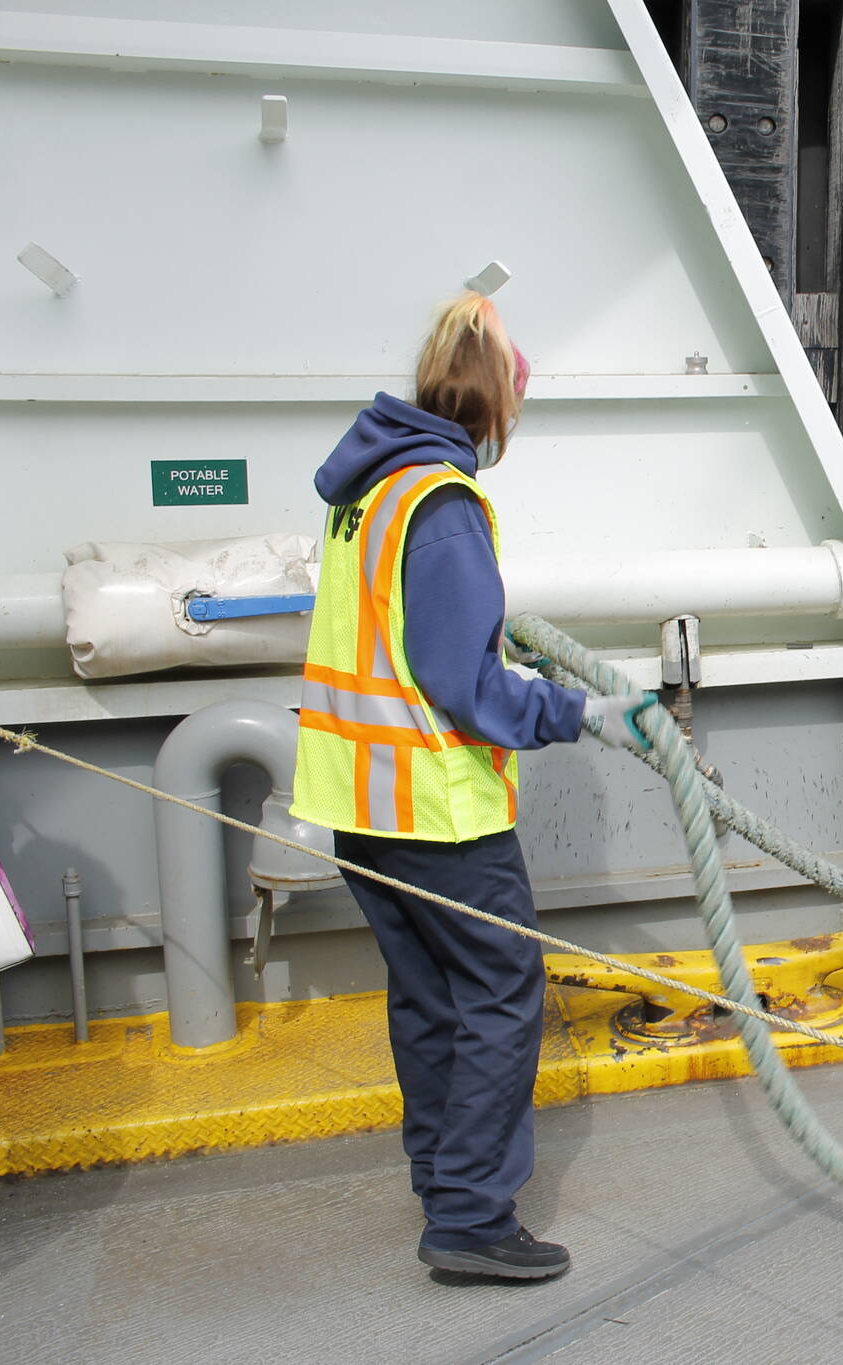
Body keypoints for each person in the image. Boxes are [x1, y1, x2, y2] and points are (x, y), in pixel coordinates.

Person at [289, 292, 656, 1280]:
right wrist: (586, 713)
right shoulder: (442, 507)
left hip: (358, 803)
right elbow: (462, 683)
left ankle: (441, 1180)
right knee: (500, 988)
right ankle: (469, 1219)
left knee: (430, 997)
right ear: (494, 410)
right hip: (435, 806)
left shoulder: (367, 492)